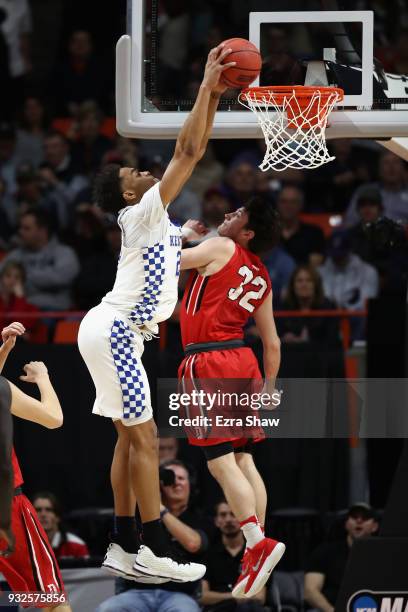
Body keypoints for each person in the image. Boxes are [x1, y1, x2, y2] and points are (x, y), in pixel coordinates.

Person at [77, 43, 236, 582]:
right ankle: (150, 545)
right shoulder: (139, 216)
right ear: (127, 193)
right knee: (145, 438)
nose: (145, 171)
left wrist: (214, 99)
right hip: (117, 330)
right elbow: (187, 154)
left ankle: (123, 544)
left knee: (129, 439)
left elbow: (198, 143)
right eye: (135, 171)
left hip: (114, 332)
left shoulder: (160, 228)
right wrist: (206, 87)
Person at [178, 198, 285, 600]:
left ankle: (257, 544)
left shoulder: (223, 248)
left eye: (237, 215)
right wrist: (271, 386)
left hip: (208, 360)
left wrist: (185, 236)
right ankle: (257, 548)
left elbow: (167, 260)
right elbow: (272, 342)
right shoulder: (261, 273)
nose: (227, 215)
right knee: (244, 458)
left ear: (248, 232)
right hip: (244, 360)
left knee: (220, 463)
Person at [0, 322, 71, 611]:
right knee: (51, 601)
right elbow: (53, 418)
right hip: (8, 508)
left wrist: (4, 351)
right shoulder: (2, 389)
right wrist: (43, 377)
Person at [97, 460, 208, 612]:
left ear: (191, 485)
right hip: (136, 592)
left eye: (181, 478)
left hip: (180, 595)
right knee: (107, 609)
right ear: (159, 485)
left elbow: (193, 544)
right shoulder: (138, 516)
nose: (176, 483)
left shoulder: (200, 518)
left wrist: (158, 507)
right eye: (170, 478)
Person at [304, 503, 379, 612]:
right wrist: (332, 610)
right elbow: (310, 591)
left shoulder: (384, 554)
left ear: (375, 526)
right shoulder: (325, 552)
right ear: (346, 524)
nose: (359, 521)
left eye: (365, 517)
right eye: (354, 517)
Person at [1, 208, 80, 310]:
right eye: (20, 227)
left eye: (26, 228)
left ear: (42, 231)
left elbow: (61, 278)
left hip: (54, 312)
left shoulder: (64, 253)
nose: (20, 232)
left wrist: (23, 278)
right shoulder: (15, 255)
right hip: (22, 310)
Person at [201, 500, 267, 612]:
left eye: (234, 514)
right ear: (216, 521)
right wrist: (233, 596)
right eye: (223, 515)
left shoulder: (257, 554)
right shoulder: (208, 555)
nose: (228, 519)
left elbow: (260, 597)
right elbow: (203, 596)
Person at [278, 265, 340, 346]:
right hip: (291, 354)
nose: (304, 285)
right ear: (293, 286)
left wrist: (308, 341)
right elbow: (278, 335)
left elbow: (332, 341)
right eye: (299, 281)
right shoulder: (284, 308)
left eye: (309, 280)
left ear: (315, 285)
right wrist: (285, 339)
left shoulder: (329, 308)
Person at [276, 185, 326, 266]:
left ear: (301, 205)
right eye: (284, 201)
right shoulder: (267, 234)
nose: (288, 206)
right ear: (277, 204)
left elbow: (316, 267)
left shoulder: (314, 234)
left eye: (293, 202)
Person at [32, 491, 90, 561]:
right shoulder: (24, 545)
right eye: (38, 510)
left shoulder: (77, 546)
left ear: (57, 517)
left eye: (49, 510)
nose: (43, 514)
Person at [0, 261, 39, 336]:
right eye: (8, 276)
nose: (12, 280)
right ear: (2, 279)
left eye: (17, 277)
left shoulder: (32, 308)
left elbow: (18, 328)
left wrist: (19, 299)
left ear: (22, 281)